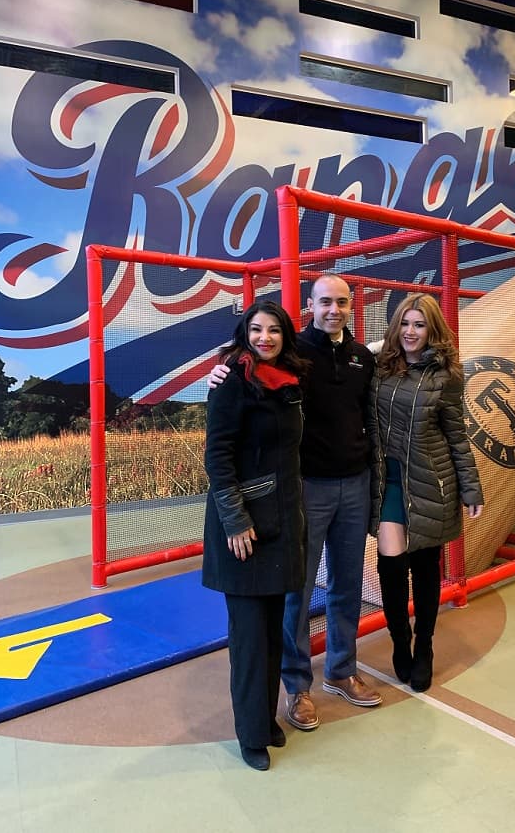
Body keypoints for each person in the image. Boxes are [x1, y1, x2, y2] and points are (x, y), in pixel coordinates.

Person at [209, 274, 382, 732]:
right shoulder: (293, 355)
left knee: (347, 584)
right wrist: (220, 371)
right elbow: (246, 372)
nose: (333, 310)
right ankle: (297, 686)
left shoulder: (362, 358)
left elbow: (369, 416)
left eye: (341, 302)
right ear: (311, 305)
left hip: (355, 484)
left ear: (351, 305)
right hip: (306, 488)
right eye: (325, 302)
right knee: (298, 591)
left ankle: (341, 671)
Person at [202, 300, 308, 771]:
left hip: (279, 523)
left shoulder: (289, 383)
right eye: (257, 330)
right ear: (245, 333)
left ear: (286, 337)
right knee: (248, 639)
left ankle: (265, 721)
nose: (265, 338)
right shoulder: (231, 380)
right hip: (243, 529)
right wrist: (235, 519)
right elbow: (218, 456)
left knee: (270, 633)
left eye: (274, 330)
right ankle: (250, 735)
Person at [370, 293, 484, 692]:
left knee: (424, 567)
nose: (410, 332)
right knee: (391, 566)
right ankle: (400, 640)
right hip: (388, 481)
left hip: (429, 480)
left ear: (432, 330)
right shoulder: (380, 367)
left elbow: (457, 436)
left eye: (419, 325)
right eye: (404, 323)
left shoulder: (446, 376)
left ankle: (425, 645)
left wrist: (471, 487)